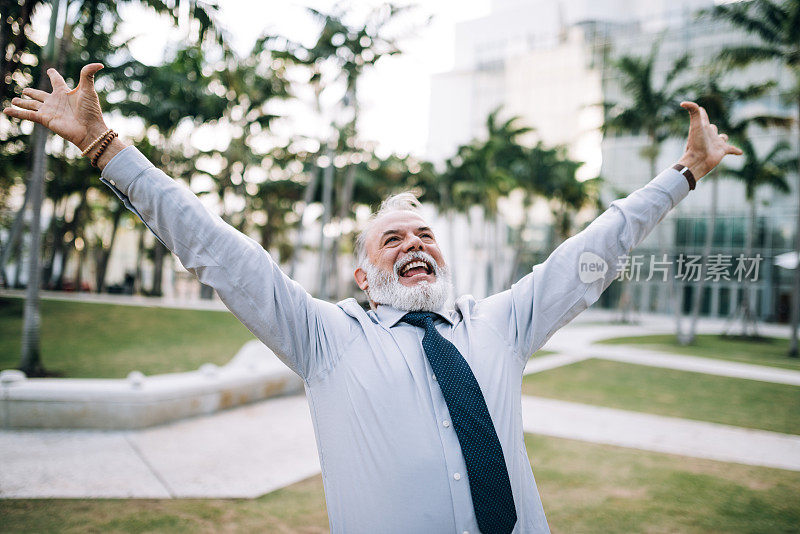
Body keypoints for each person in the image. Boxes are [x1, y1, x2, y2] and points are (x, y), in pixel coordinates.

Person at [4, 64, 742, 533]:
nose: (414, 243)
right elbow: (219, 250)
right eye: (392, 239)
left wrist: (684, 173)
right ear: (363, 276)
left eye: (424, 233)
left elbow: (595, 250)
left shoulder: (503, 324)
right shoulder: (326, 339)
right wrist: (108, 151)